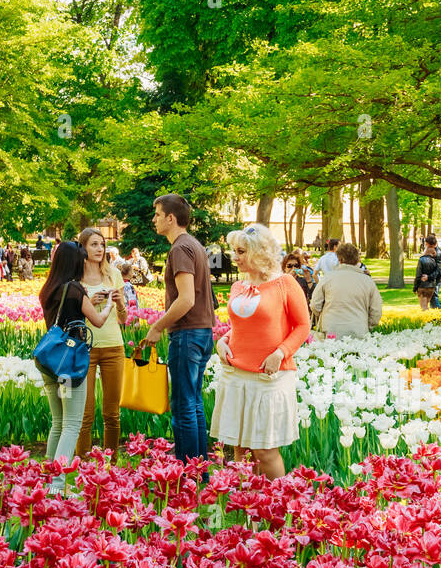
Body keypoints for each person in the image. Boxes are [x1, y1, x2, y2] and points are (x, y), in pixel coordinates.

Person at [211, 223, 310, 479]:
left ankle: (281, 508)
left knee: (264, 451)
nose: (235, 257)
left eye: (241, 251)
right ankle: (250, 512)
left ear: (259, 251)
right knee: (241, 450)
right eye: (235, 251)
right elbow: (239, 327)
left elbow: (303, 326)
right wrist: (223, 340)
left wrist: (280, 353)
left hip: (269, 377)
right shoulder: (238, 287)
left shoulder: (284, 284)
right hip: (236, 375)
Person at [143, 193, 216, 463]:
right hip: (202, 332)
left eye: (158, 215)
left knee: (183, 406)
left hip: (187, 334)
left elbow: (186, 299)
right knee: (193, 404)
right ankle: (199, 473)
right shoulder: (194, 245)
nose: (154, 220)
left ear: (171, 219)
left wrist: (158, 327)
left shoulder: (180, 248)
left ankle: (186, 475)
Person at [37, 242, 114, 495]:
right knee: (72, 424)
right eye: (82, 261)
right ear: (74, 263)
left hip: (50, 362)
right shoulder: (74, 288)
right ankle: (58, 486)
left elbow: (68, 313)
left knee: (57, 423)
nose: (85, 265)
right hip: (69, 367)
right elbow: (99, 321)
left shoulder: (50, 289)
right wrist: (110, 302)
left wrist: (87, 301)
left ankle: (48, 480)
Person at [75, 227, 129, 455]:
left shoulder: (113, 275)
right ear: (83, 247)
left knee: (112, 413)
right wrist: (87, 303)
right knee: (84, 414)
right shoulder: (75, 278)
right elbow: (69, 316)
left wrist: (119, 303)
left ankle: (111, 464)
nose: (99, 249)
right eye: (94, 244)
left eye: (102, 244)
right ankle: (83, 467)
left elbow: (123, 319)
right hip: (84, 349)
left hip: (113, 347)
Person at [309, 242, 382, 339]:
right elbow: (376, 311)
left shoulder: (328, 278)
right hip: (359, 331)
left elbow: (315, 305)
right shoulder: (367, 281)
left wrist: (325, 315)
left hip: (331, 332)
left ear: (339, 259)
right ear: (357, 259)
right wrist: (366, 324)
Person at [414, 242, 440, 310]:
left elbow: (418, 275)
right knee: (426, 305)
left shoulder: (421, 260)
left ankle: (426, 319)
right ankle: (429, 318)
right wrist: (429, 277)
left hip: (422, 286)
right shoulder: (435, 261)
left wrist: (415, 287)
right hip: (431, 286)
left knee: (423, 307)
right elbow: (437, 272)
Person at [424, 234, 441, 308]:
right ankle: (433, 314)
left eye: (426, 244)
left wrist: (429, 277)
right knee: (432, 295)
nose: (426, 245)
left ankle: (438, 312)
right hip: (433, 276)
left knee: (434, 295)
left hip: (436, 277)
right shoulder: (432, 251)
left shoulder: (437, 252)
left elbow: (437, 268)